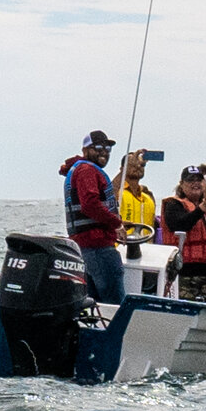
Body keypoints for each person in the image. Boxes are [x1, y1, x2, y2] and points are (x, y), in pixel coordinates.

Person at [59, 130, 126, 303]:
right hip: (97, 246)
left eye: (108, 148)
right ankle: (117, 329)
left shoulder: (79, 169)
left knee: (93, 302)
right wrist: (116, 224)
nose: (104, 151)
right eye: (97, 147)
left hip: (86, 247)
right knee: (114, 302)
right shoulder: (87, 170)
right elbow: (89, 204)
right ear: (85, 150)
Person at [161, 165, 206, 301]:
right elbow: (180, 224)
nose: (195, 183)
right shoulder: (174, 204)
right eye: (190, 180)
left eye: (199, 180)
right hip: (184, 272)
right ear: (182, 185)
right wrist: (203, 206)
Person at [116, 152, 159, 245]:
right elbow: (106, 194)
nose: (138, 166)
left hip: (146, 252)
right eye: (132, 163)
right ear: (122, 169)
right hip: (121, 250)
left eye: (142, 164)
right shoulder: (116, 192)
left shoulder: (148, 198)